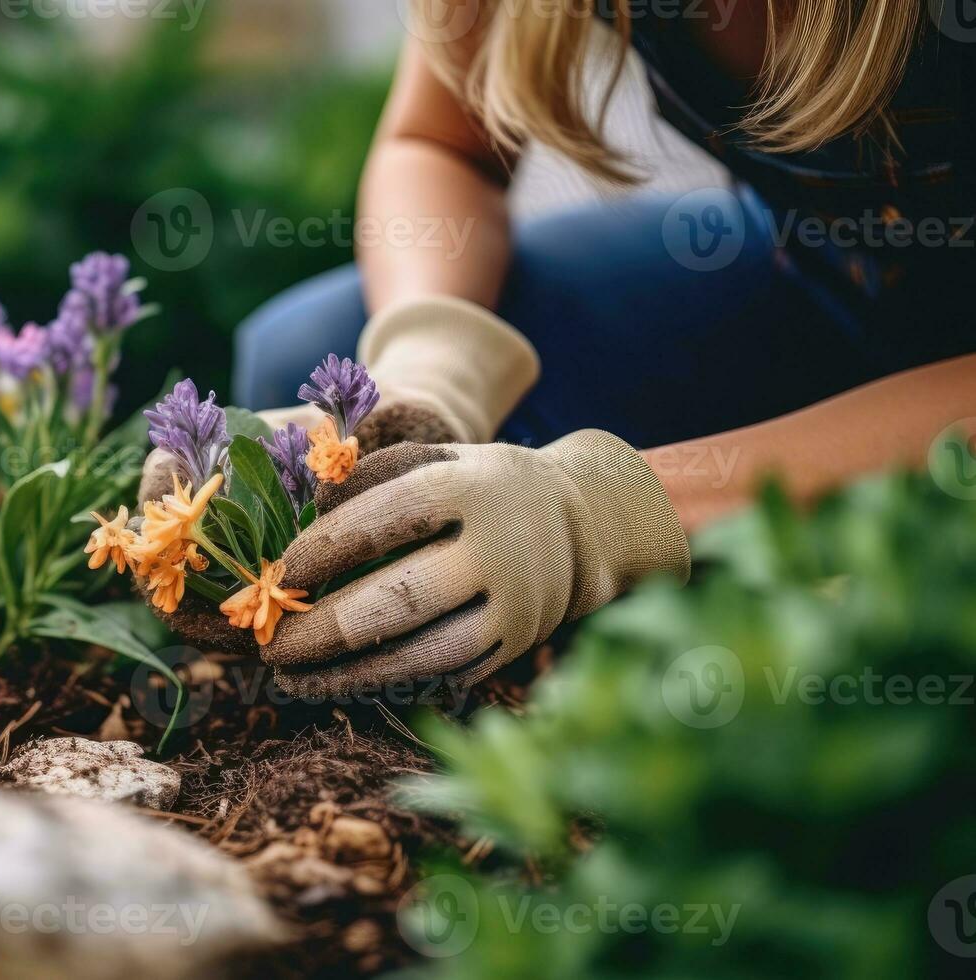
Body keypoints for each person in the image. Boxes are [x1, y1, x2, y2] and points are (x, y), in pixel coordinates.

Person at [157, 1, 975, 694]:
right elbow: (439, 145)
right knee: (316, 345)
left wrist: (609, 510)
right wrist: (435, 371)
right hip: (830, 279)